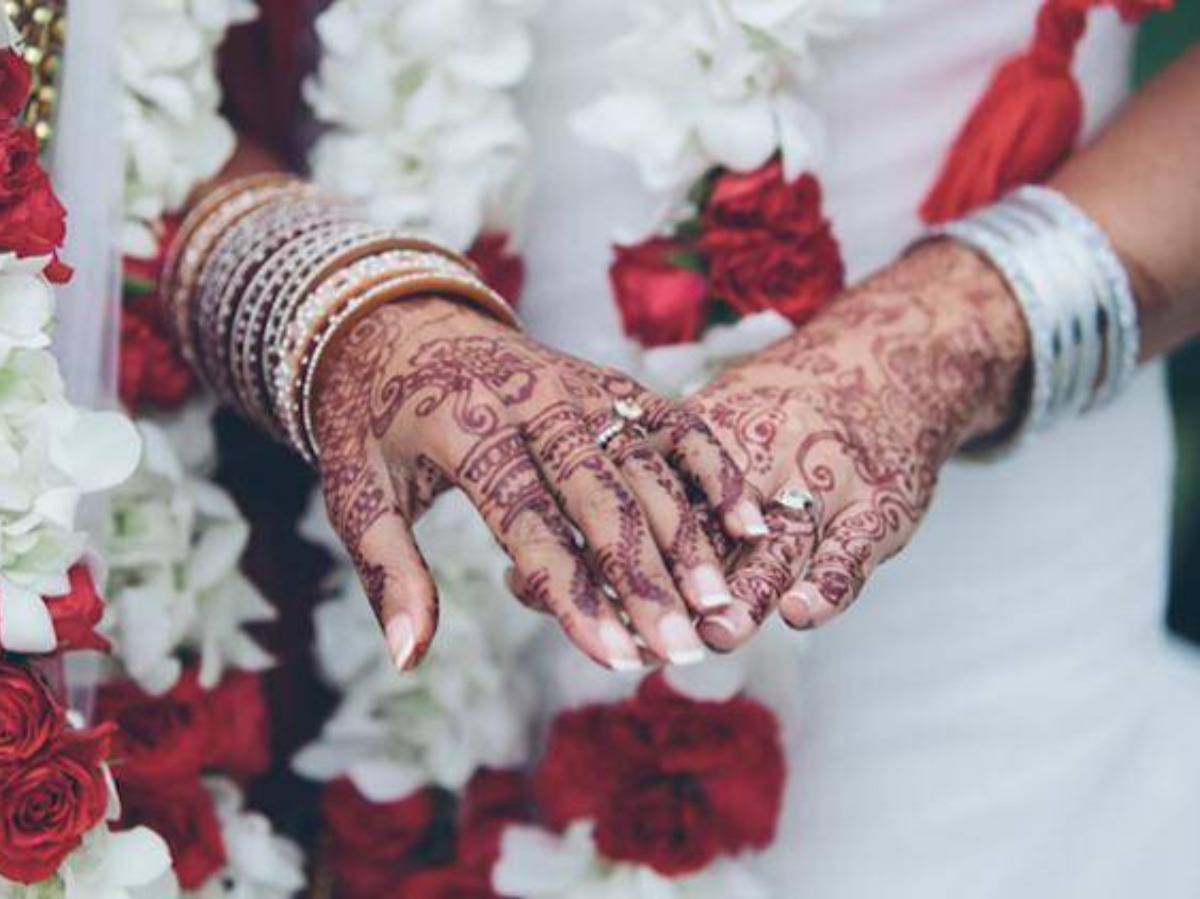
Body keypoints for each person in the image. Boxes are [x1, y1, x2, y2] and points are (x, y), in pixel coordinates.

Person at [142, 0, 1200, 894]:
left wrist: (955, 333)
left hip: (976, 634)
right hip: (363, 616)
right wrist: (337, 311)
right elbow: (79, 81)